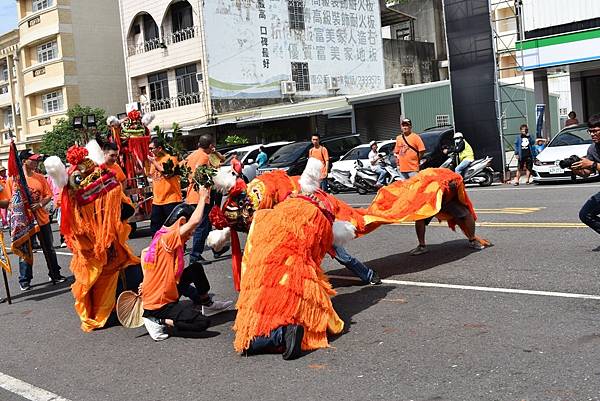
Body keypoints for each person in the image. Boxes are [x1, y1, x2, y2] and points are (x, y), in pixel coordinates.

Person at [140, 196, 233, 342]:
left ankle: (206, 302)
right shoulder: (168, 238)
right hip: (160, 304)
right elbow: (194, 221)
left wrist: (146, 282)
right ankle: (158, 320)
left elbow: (145, 253)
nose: (189, 236)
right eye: (189, 232)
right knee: (202, 323)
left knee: (195, 268)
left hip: (169, 287)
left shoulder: (163, 235)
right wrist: (202, 197)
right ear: (181, 222)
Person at [10, 150, 65, 291]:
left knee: (49, 248)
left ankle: (55, 274)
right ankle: (24, 280)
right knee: (25, 251)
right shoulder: (14, 180)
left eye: (36, 160)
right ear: (24, 162)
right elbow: (10, 200)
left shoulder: (40, 177)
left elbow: (48, 195)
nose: (35, 162)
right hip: (25, 222)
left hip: (41, 218)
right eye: (32, 160)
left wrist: (40, 204)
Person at [185, 134, 229, 263]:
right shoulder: (204, 157)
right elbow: (201, 174)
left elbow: (220, 161)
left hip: (194, 195)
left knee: (207, 225)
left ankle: (216, 249)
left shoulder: (192, 155)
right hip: (201, 196)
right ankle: (195, 256)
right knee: (202, 227)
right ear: (210, 146)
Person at [572, 114, 600, 240]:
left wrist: (592, 164)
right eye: (590, 131)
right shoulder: (593, 149)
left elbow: (592, 165)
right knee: (585, 214)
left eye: (595, 131)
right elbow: (586, 173)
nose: (592, 134)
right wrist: (575, 168)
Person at [148, 138, 182, 236]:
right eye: (149, 149)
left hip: (171, 199)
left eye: (151, 148)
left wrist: (154, 162)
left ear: (159, 148)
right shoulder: (155, 160)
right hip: (157, 201)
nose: (150, 151)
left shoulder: (171, 158)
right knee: (155, 228)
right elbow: (152, 176)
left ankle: (178, 249)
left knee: (173, 228)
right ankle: (157, 248)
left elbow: (168, 173)